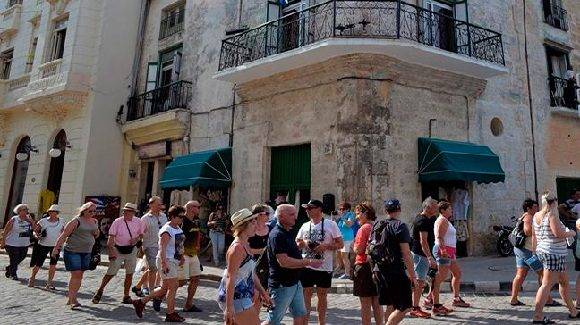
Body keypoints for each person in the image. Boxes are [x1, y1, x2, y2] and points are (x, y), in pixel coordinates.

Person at [265, 204, 322, 325]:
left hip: (295, 282)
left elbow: (291, 255)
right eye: (291, 214)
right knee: (273, 321)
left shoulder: (288, 231)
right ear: (281, 216)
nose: (295, 218)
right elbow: (284, 262)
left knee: (300, 314)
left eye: (294, 214)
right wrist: (308, 261)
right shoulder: (277, 235)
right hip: (282, 284)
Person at [132, 205, 186, 322]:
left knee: (163, 288)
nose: (182, 219)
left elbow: (179, 245)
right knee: (173, 287)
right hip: (166, 260)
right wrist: (164, 263)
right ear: (172, 217)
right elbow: (162, 248)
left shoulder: (178, 229)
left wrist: (181, 256)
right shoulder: (166, 230)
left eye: (183, 216)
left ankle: (140, 302)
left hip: (173, 260)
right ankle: (170, 313)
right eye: (180, 216)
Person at [217, 208, 272, 324]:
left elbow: (251, 273)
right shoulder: (237, 248)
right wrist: (229, 306)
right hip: (236, 297)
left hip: (242, 295)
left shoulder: (246, 245)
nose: (256, 225)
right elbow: (230, 277)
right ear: (243, 226)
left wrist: (263, 292)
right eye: (252, 222)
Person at [532, 193, 578, 324]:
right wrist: (572, 232)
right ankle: (537, 316)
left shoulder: (536, 215)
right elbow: (558, 233)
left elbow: (534, 237)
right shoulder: (551, 215)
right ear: (554, 202)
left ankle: (573, 311)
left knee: (564, 283)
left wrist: (535, 252)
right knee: (546, 285)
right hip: (553, 254)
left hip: (545, 252)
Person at [296, 199, 343, 325]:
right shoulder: (305, 225)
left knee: (322, 296)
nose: (307, 210)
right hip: (307, 265)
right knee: (306, 294)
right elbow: (297, 242)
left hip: (324, 266)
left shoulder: (331, 224)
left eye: (310, 208)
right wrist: (305, 243)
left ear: (319, 209)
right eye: (306, 208)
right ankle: (305, 322)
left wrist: (325, 246)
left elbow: (340, 243)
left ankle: (321, 323)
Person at [372, 199, 416, 325]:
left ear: (385, 211)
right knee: (405, 306)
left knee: (390, 305)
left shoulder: (377, 225)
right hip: (395, 271)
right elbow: (406, 253)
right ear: (399, 209)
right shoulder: (400, 226)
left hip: (379, 270)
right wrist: (412, 275)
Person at [92, 203, 145, 304]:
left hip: (131, 250)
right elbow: (111, 238)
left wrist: (137, 239)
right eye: (124, 211)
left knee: (130, 273)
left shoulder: (139, 222)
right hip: (118, 249)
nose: (125, 212)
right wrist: (111, 252)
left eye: (128, 211)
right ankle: (100, 290)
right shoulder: (117, 222)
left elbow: (142, 234)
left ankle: (126, 295)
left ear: (133, 213)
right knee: (111, 272)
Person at [52, 202, 100, 309]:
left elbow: (96, 234)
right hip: (73, 251)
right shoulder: (75, 221)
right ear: (84, 210)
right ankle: (73, 299)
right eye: (90, 211)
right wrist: (56, 248)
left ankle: (71, 298)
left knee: (80, 275)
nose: (92, 213)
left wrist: (96, 233)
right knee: (76, 274)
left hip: (87, 252)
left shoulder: (94, 221)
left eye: (94, 211)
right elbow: (64, 235)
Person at [510, 199, 557, 306]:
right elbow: (527, 231)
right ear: (528, 208)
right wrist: (540, 229)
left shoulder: (525, 216)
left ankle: (513, 299)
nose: (537, 208)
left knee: (520, 275)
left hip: (520, 250)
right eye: (535, 206)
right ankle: (547, 300)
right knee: (543, 274)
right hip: (528, 251)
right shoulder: (528, 217)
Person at [431, 201, 470, 317]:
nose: (451, 210)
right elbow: (439, 236)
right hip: (444, 251)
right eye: (449, 209)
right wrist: (443, 251)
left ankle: (456, 299)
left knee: (457, 274)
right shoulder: (442, 220)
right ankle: (435, 305)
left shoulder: (446, 220)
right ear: (443, 210)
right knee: (439, 278)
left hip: (450, 252)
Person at [352, 202, 383, 325]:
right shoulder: (377, 226)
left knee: (365, 303)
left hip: (363, 266)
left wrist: (354, 246)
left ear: (365, 213)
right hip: (376, 267)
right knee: (377, 301)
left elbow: (359, 250)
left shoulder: (363, 228)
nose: (356, 217)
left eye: (358, 214)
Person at [410, 197, 438, 318]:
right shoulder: (422, 221)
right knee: (419, 282)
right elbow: (423, 241)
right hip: (421, 255)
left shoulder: (428, 218)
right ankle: (414, 308)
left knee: (424, 280)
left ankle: (420, 303)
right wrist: (429, 257)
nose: (437, 208)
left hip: (423, 254)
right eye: (435, 206)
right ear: (428, 207)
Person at [133, 196, 167, 297]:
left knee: (153, 268)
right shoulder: (145, 218)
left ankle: (138, 286)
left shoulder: (163, 216)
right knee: (153, 268)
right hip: (150, 246)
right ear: (151, 205)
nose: (160, 206)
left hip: (162, 246)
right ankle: (151, 291)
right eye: (158, 205)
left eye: (160, 204)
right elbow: (140, 233)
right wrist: (140, 246)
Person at [29, 204, 64, 289]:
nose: (52, 213)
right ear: (49, 212)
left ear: (57, 213)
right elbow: (35, 231)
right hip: (43, 245)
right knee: (38, 263)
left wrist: (62, 241)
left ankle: (49, 283)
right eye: (51, 212)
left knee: (53, 264)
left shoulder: (62, 221)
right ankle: (32, 278)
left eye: (54, 212)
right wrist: (36, 236)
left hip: (55, 246)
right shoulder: (43, 221)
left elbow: (63, 232)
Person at [179, 200, 203, 312]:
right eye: (197, 206)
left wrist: (198, 245)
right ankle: (158, 296)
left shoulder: (195, 221)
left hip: (193, 255)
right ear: (191, 208)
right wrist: (179, 255)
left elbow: (197, 234)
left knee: (195, 278)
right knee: (180, 281)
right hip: (183, 254)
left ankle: (188, 304)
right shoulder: (181, 221)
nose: (199, 208)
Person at [1, 203, 34, 280]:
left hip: (24, 243)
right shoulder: (14, 219)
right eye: (24, 210)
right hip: (12, 243)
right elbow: (5, 231)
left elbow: (35, 229)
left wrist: (31, 221)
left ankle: (9, 268)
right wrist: (3, 242)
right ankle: (13, 274)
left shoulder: (29, 220)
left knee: (22, 257)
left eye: (27, 210)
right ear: (19, 211)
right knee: (14, 259)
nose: (26, 211)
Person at [248, 203, 271, 289]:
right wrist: (262, 251)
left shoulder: (271, 228)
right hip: (253, 264)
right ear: (258, 215)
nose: (269, 215)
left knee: (265, 290)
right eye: (267, 213)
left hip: (268, 264)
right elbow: (244, 248)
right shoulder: (250, 230)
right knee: (254, 291)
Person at [335, 202, 355, 280]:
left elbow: (349, 224)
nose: (341, 210)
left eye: (343, 209)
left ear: (348, 209)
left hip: (347, 238)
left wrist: (342, 217)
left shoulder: (350, 214)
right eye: (340, 209)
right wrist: (333, 218)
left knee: (345, 256)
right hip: (340, 239)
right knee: (338, 256)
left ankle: (347, 273)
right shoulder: (341, 217)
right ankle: (338, 270)